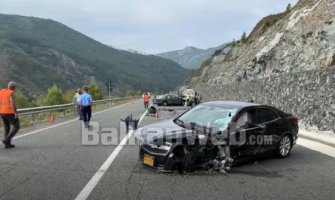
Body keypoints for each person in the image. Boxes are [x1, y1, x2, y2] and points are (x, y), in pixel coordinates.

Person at [0, 81, 20, 148]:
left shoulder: (2, 91)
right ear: (13, 87)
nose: (15, 88)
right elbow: (12, 104)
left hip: (2, 112)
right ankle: (6, 140)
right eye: (15, 87)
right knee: (17, 126)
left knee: (7, 128)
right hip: (9, 112)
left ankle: (7, 144)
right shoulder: (11, 93)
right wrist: (16, 113)